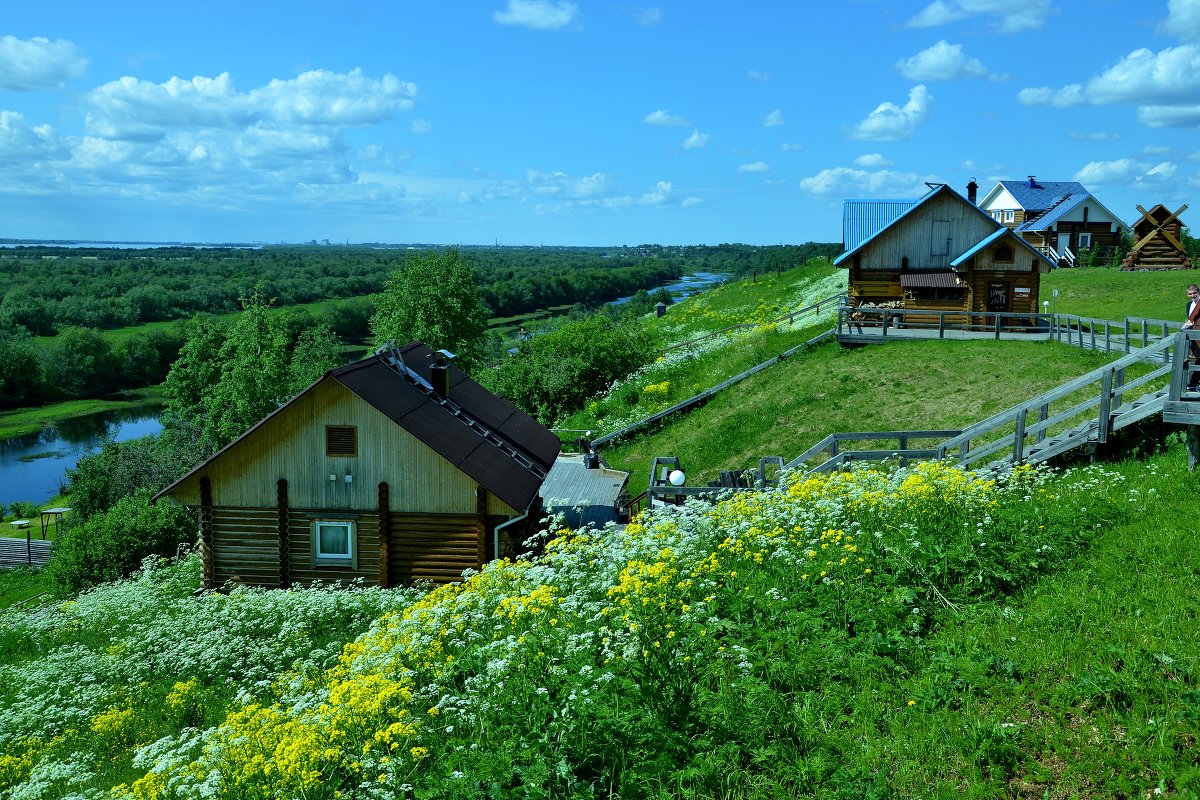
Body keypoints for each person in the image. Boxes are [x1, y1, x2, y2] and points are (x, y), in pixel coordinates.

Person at [1183, 284, 1200, 391]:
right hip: (1193, 335)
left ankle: (1193, 383)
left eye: (1194, 293)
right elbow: (1189, 319)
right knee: (1196, 360)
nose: (1192, 295)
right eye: (1190, 294)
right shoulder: (1189, 304)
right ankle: (1193, 384)